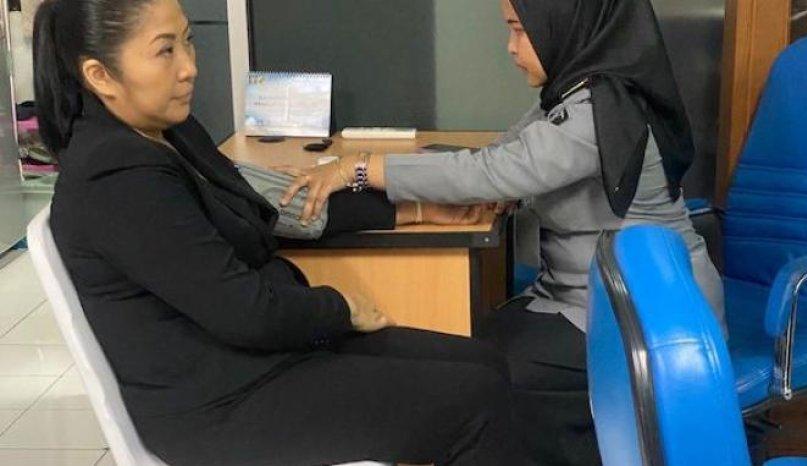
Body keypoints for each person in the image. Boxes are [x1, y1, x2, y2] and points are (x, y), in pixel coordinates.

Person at [36, 0, 526, 464]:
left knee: (486, 365)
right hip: (220, 404)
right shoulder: (115, 176)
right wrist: (341, 308)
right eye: (165, 50)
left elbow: (267, 208)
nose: (189, 67)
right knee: (476, 400)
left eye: (188, 41)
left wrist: (415, 209)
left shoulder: (169, 133)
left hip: (262, 359)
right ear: (100, 75)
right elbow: (244, 312)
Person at [282, 0, 726, 464]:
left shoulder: (601, 110)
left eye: (520, 30)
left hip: (644, 313)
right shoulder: (576, 93)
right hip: (585, 298)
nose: (511, 48)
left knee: (481, 375)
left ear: (563, 26)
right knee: (465, 348)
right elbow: (503, 157)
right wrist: (482, 182)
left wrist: (359, 169)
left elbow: (491, 171)